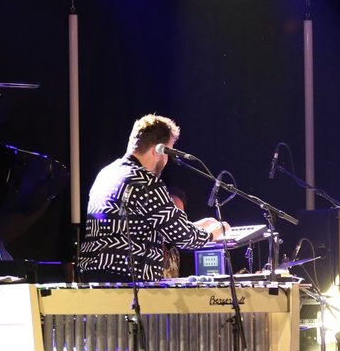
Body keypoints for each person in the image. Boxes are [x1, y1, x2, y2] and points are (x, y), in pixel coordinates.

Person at [78, 114, 228, 283]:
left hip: (94, 280)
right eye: (169, 152)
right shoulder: (146, 182)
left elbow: (135, 230)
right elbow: (186, 239)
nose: (167, 160)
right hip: (128, 283)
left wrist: (194, 226)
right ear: (157, 150)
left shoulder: (106, 174)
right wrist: (212, 234)